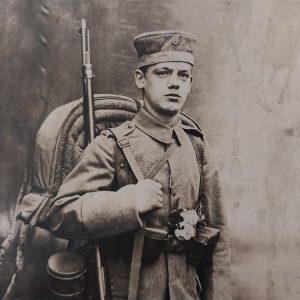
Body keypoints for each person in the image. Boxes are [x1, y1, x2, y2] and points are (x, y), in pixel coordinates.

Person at [40, 31, 231, 299]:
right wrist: (126, 204)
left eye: (183, 75)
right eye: (163, 73)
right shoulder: (112, 145)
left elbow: (218, 235)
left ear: (190, 83)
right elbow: (59, 214)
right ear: (140, 78)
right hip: (127, 291)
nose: (174, 84)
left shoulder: (197, 146)